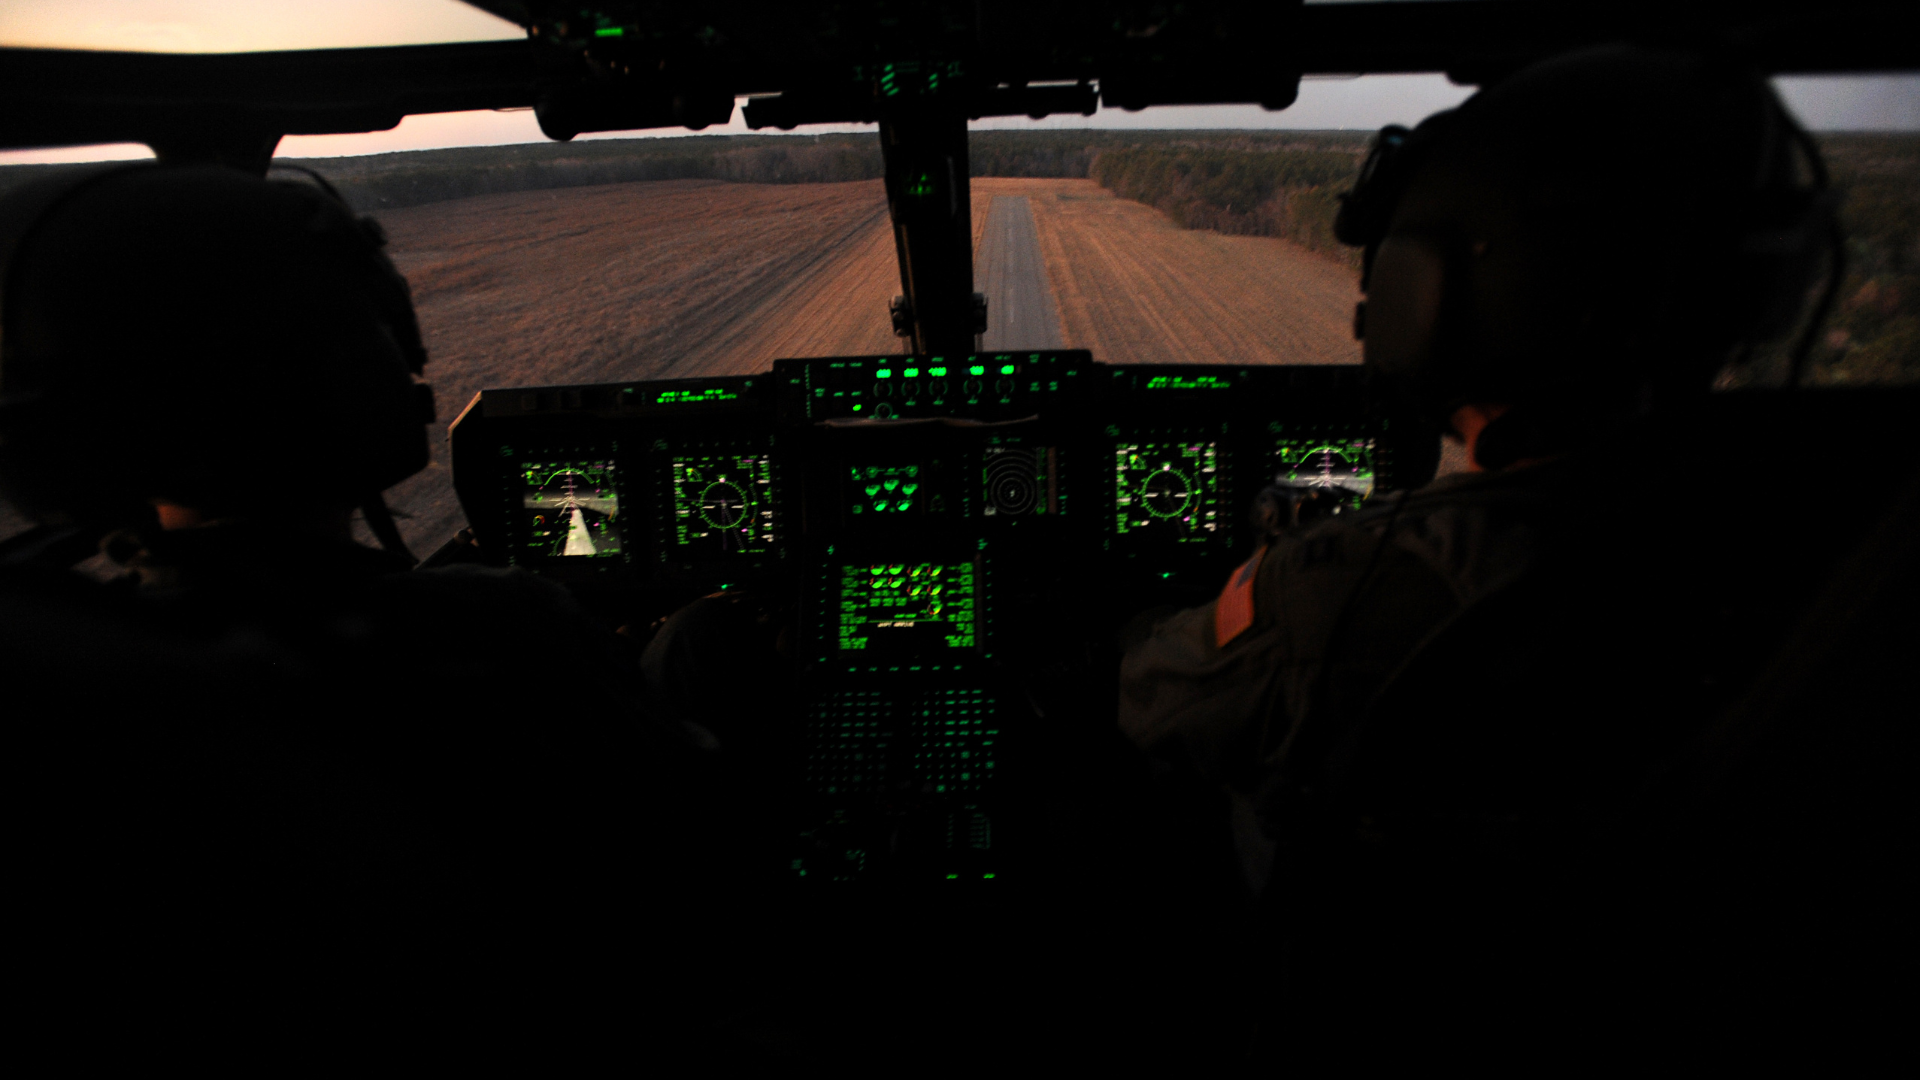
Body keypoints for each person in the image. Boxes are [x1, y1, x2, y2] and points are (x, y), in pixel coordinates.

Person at [1115, 46, 1896, 1052]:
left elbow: (1152, 702)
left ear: (1425, 298)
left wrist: (1213, 601)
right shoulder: (1845, 521)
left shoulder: (1361, 583)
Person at [0, 164, 735, 1038]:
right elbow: (695, 879)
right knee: (707, 637)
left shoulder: (40, 633)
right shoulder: (490, 640)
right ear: (357, 371)